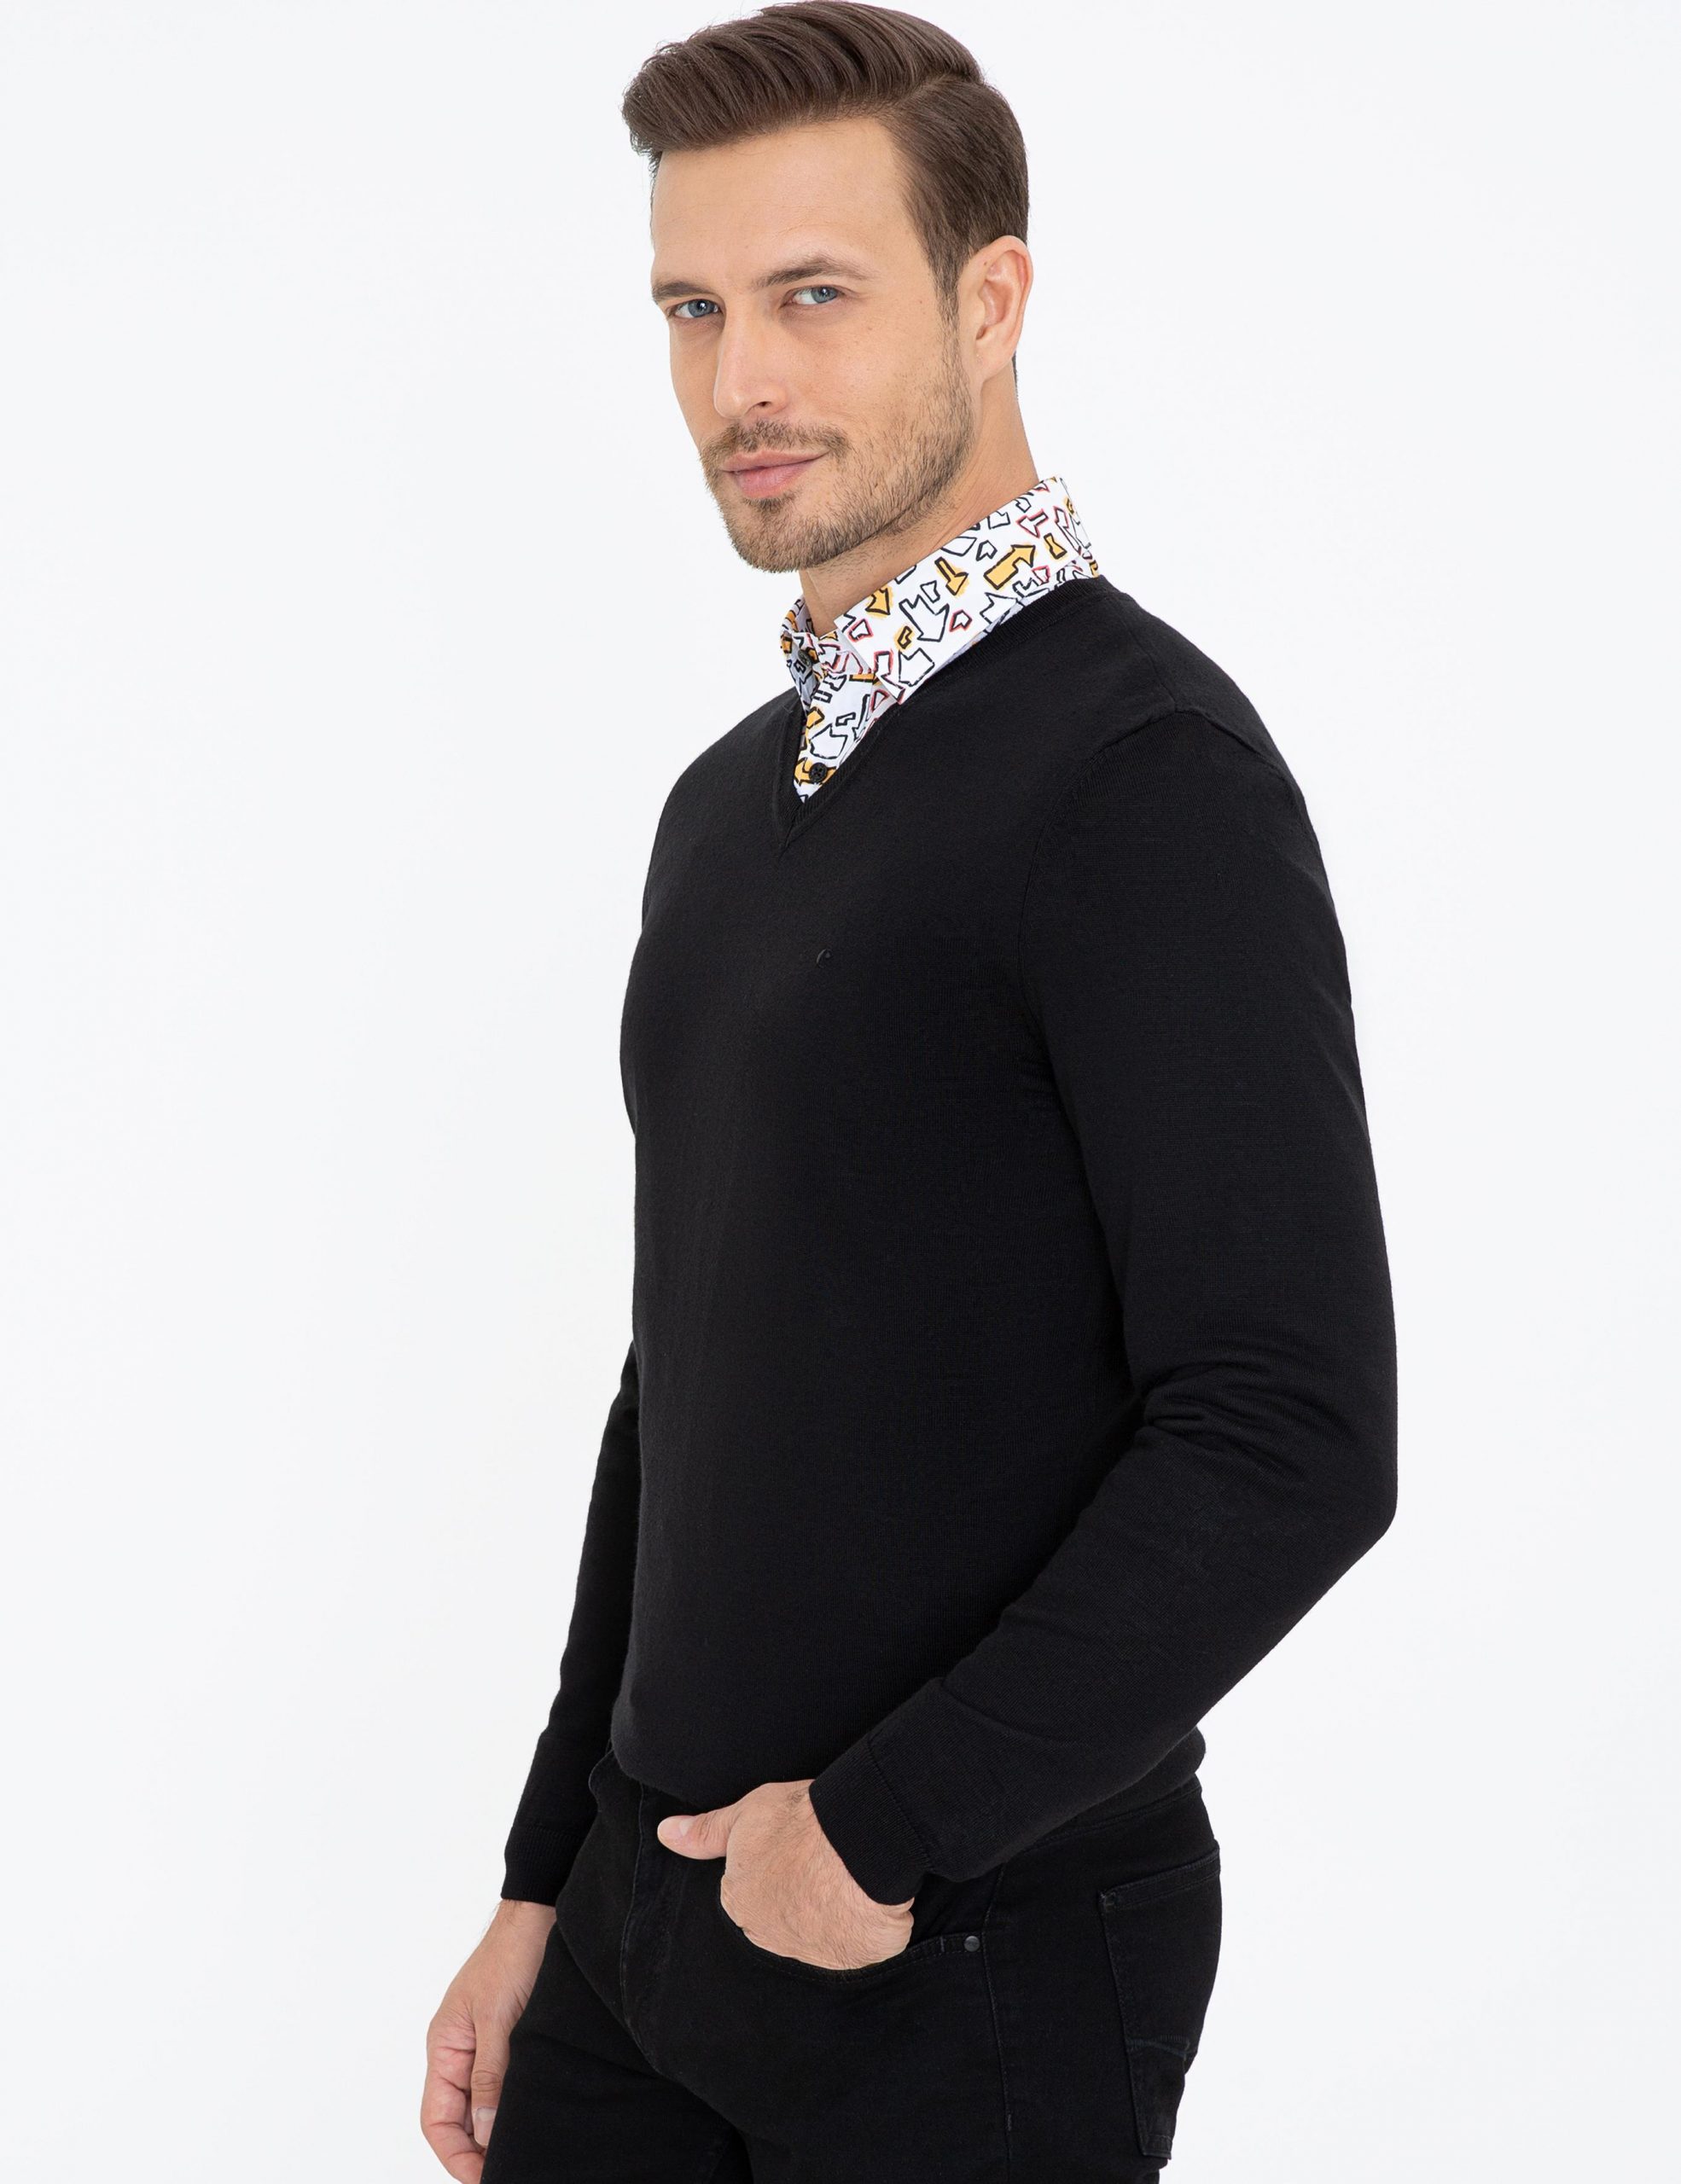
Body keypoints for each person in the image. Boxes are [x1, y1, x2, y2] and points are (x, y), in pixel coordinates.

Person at [422, 6, 1398, 2179]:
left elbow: (1289, 1427)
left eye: (811, 295)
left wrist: (878, 1830)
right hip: (646, 1920)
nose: (737, 383)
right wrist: (546, 1876)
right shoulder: (723, 806)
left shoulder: (1142, 775)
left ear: (989, 297)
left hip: (965, 1946)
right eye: (692, 309)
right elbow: (684, 1379)